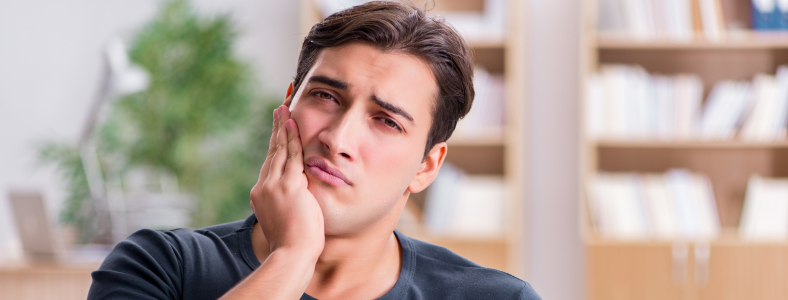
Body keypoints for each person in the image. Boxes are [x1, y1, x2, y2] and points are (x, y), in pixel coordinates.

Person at [87, 1, 541, 299]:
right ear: (287, 104)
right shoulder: (161, 267)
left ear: (426, 166)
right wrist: (294, 256)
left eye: (386, 121)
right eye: (325, 97)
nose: (338, 139)